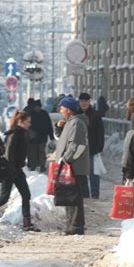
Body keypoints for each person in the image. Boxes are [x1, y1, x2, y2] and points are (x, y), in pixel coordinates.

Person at [0, 110, 34, 231]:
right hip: (10, 170)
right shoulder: (15, 134)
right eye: (28, 122)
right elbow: (9, 154)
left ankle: (27, 223)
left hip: (17, 170)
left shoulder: (22, 133)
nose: (29, 124)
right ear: (20, 122)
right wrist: (11, 169)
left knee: (26, 195)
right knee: (4, 197)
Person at [54, 97, 89, 235]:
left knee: (75, 197)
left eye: (62, 108)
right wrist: (58, 127)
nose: (60, 110)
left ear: (68, 109)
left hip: (75, 167)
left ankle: (76, 226)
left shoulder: (76, 123)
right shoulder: (69, 122)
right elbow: (61, 139)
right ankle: (71, 224)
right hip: (70, 166)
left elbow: (77, 145)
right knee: (69, 197)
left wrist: (65, 159)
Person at [78, 93, 104, 199]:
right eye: (82, 101)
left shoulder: (95, 114)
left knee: (94, 171)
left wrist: (99, 146)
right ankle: (84, 193)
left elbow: (100, 131)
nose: (84, 103)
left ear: (89, 102)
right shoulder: (76, 114)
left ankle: (94, 193)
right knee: (81, 172)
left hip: (92, 147)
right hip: (79, 148)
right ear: (79, 102)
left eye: (86, 101)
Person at [27, 99, 54, 172]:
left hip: (42, 137)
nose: (37, 108)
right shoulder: (30, 114)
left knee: (41, 152)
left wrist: (51, 136)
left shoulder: (44, 114)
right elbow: (27, 126)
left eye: (38, 106)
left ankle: (42, 166)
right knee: (33, 152)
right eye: (36, 107)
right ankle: (33, 167)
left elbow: (49, 126)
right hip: (33, 139)